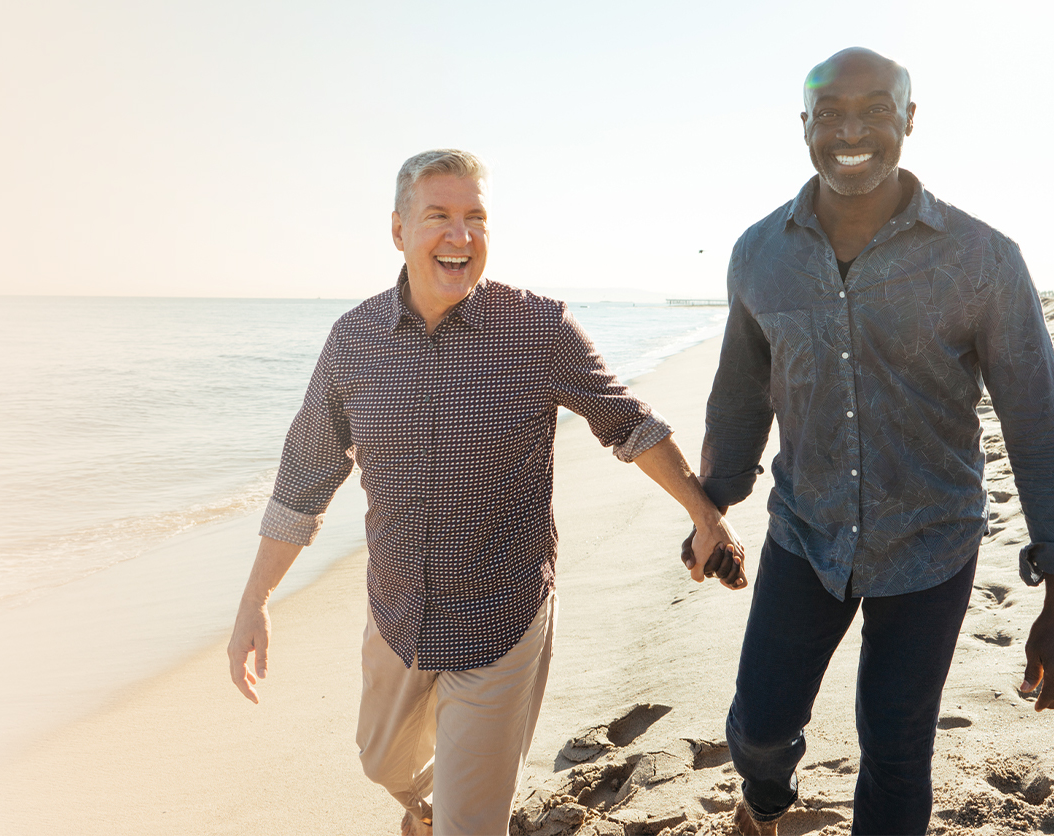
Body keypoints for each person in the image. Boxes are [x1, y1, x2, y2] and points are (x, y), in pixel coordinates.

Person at [224, 148, 747, 836]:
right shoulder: (352, 342)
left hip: (502, 618)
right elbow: (304, 478)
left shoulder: (539, 330)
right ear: (398, 229)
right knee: (381, 763)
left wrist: (706, 516)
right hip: (397, 613)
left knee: (471, 826)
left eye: (476, 218)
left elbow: (630, 424)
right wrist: (254, 601)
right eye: (438, 215)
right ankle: (427, 807)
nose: (460, 235)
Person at [693, 48, 1054, 836]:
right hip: (804, 536)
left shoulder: (982, 258)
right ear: (804, 125)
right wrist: (712, 506)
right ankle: (765, 802)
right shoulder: (758, 254)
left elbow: (1040, 424)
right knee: (758, 728)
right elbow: (742, 394)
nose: (853, 129)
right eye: (832, 112)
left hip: (931, 546)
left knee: (897, 747)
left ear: (909, 121)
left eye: (877, 110)